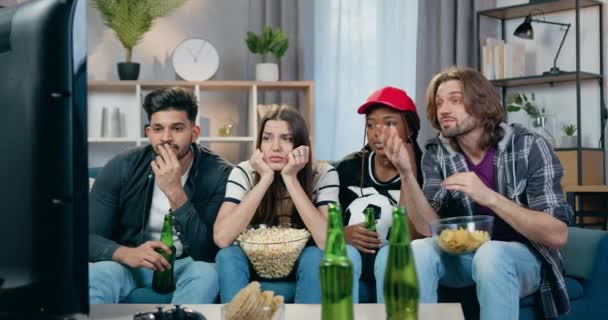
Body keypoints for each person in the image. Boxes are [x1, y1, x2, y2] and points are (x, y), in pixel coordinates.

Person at [376, 67, 573, 319]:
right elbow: (429, 228)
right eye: (439, 103)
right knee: (415, 251)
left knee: (490, 254)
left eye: (455, 100)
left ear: (482, 105)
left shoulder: (529, 145)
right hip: (464, 259)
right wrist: (406, 174)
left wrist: (489, 196)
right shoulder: (437, 152)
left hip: (524, 260)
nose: (444, 109)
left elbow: (557, 235)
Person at [88, 87, 232, 304]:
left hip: (188, 264)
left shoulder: (219, 174)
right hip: (134, 263)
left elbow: (208, 252)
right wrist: (126, 253)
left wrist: (175, 191)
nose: (166, 138)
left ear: (194, 133)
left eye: (177, 128)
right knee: (98, 274)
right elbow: (86, 237)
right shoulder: (122, 166)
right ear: (149, 133)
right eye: (158, 128)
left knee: (207, 273)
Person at [214, 104, 360, 303]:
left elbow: (327, 242)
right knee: (227, 255)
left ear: (301, 143)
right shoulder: (244, 172)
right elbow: (222, 238)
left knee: (315, 255)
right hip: (254, 260)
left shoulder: (323, 173)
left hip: (303, 260)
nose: (275, 147)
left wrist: (290, 178)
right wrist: (265, 179)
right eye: (267, 138)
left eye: (287, 138)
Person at [334, 86, 423, 302]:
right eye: (371, 124)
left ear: (409, 129)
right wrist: (342, 234)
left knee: (390, 257)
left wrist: (406, 172)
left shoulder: (426, 168)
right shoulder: (349, 168)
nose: (377, 132)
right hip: (354, 256)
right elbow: (323, 222)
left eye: (390, 123)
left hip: (397, 258)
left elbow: (412, 239)